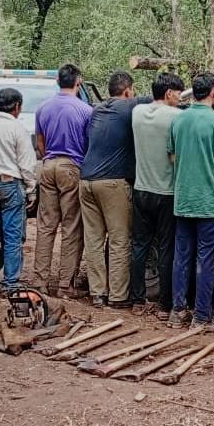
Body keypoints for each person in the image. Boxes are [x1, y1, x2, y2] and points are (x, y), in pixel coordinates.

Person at [166, 72, 214, 331]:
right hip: (209, 203)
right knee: (206, 259)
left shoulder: (178, 121)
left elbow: (172, 156)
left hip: (183, 200)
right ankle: (201, 315)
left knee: (181, 256)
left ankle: (177, 310)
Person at [80, 71, 150, 308]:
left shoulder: (98, 109)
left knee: (94, 239)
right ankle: (118, 296)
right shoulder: (130, 106)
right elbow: (158, 101)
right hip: (112, 182)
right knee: (120, 239)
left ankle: (97, 292)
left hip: (86, 180)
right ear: (129, 90)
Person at [34, 63, 94, 298]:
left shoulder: (43, 108)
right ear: (78, 82)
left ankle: (39, 281)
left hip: (48, 165)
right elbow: (88, 145)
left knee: (46, 226)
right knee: (71, 227)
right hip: (72, 167)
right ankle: (65, 284)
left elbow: (40, 143)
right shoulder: (85, 110)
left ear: (58, 81)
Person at [129, 73, 184, 317]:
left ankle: (137, 298)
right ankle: (164, 303)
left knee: (139, 245)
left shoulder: (137, 112)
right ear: (169, 93)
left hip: (141, 189)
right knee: (166, 248)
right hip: (167, 191)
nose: (181, 98)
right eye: (179, 93)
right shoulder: (177, 116)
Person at [0, 87, 39, 294]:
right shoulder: (17, 129)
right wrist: (31, 188)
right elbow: (27, 163)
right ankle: (10, 283)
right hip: (11, 184)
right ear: (17, 106)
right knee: (12, 236)